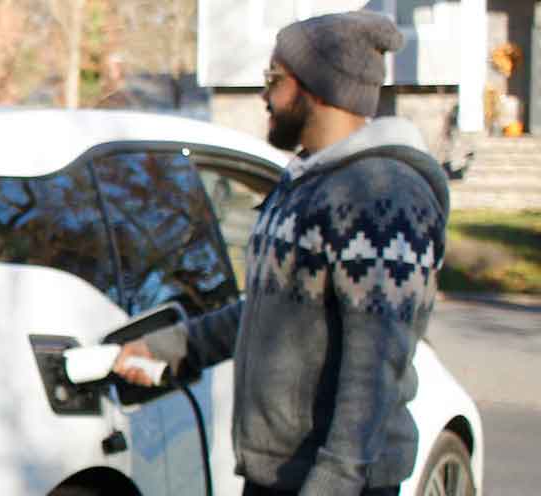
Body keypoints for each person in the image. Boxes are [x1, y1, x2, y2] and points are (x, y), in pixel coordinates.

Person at [112, 11, 449, 496]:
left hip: (334, 483)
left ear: (316, 87)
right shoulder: (308, 183)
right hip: (278, 476)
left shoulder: (381, 197)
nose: (265, 96)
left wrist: (332, 485)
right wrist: (172, 345)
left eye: (274, 79)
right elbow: (273, 307)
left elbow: (374, 364)